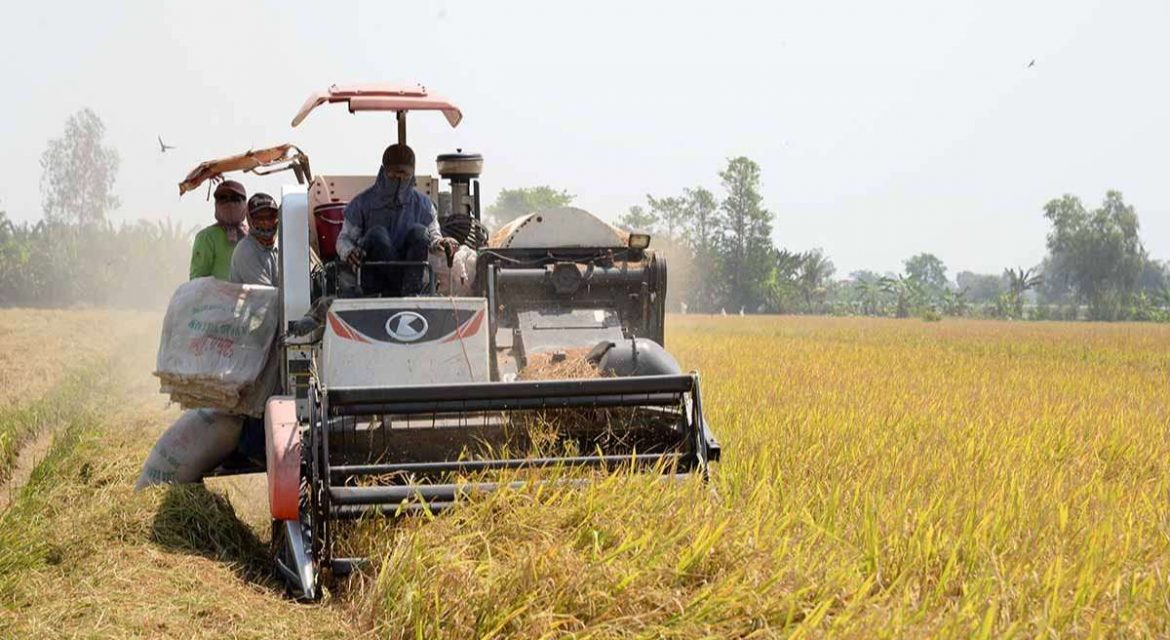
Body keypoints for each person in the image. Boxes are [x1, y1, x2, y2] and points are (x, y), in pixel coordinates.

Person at [335, 144, 458, 296]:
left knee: (420, 233)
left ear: (412, 174)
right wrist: (349, 252)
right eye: (393, 177)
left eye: (405, 176)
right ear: (383, 171)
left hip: (411, 280)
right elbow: (344, 239)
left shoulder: (424, 206)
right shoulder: (362, 203)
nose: (399, 182)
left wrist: (441, 244)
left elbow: (433, 237)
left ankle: (409, 293)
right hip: (374, 281)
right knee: (377, 235)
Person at [190, 180, 248, 281]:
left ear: (245, 204)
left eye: (235, 199)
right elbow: (197, 280)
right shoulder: (207, 237)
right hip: (216, 297)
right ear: (216, 204)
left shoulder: (253, 236)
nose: (229, 203)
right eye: (223, 199)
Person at [230, 193, 281, 287]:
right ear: (250, 220)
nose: (266, 222)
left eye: (271, 217)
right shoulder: (245, 251)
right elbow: (266, 294)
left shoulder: (279, 246)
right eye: (260, 218)